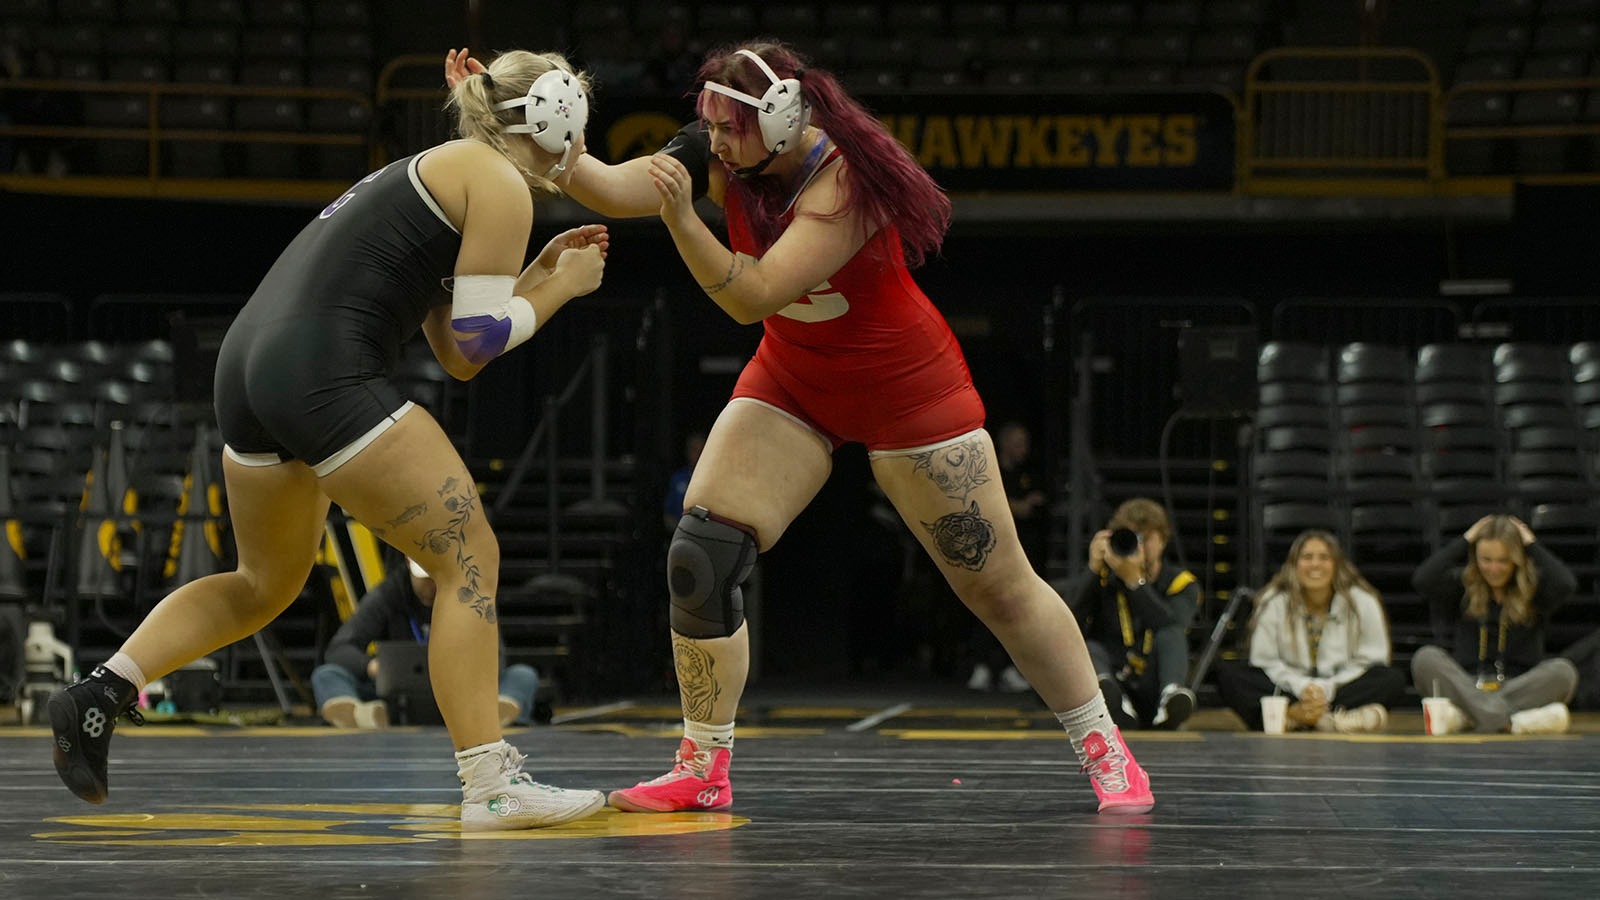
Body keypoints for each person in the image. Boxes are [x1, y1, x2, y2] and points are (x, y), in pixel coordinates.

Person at [445, 41, 1153, 816]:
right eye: (705, 127)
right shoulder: (726, 148)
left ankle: (1102, 743)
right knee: (702, 556)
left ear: (781, 117)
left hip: (905, 389)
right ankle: (703, 765)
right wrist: (524, 126)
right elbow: (616, 189)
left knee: (998, 587)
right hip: (796, 380)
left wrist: (684, 219)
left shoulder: (847, 180)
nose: (711, 142)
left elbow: (752, 295)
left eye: (726, 129)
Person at [47, 49, 611, 831]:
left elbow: (452, 348)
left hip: (246, 365)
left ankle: (101, 691)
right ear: (557, 120)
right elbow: (480, 343)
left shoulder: (441, 171)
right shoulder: (502, 184)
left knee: (263, 584)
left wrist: (542, 280)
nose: (583, 153)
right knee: (468, 556)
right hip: (322, 367)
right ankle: (491, 785)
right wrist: (566, 291)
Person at [313, 557, 540, 729]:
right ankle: (362, 717)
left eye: (436, 577)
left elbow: (495, 657)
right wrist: (373, 667)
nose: (431, 585)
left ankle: (492, 716)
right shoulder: (389, 594)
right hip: (396, 698)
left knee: (522, 675)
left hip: (461, 699)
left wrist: (468, 675)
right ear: (407, 565)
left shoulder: (470, 597)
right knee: (327, 674)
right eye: (425, 578)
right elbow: (339, 648)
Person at [1214, 529, 1405, 733]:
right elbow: (1264, 661)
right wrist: (1302, 687)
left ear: (1336, 565)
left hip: (1339, 689)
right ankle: (1323, 718)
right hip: (1289, 689)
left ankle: (1296, 719)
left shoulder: (1363, 602)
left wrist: (1325, 690)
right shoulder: (1273, 601)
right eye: (1307, 557)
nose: (1315, 565)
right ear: (1294, 565)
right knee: (1229, 674)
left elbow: (1372, 659)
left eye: (1324, 557)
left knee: (1391, 679)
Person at [1410, 514, 1579, 735]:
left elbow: (1566, 583)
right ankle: (1507, 720)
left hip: (1518, 686)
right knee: (1425, 658)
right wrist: (1466, 540)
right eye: (1486, 560)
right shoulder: (1462, 587)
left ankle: (1468, 717)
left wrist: (1531, 544)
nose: (1494, 569)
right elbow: (1422, 579)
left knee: (1563, 671)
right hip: (1468, 685)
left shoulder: (1533, 590)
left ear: (1517, 559)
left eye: (1503, 560)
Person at [1059, 499, 1200, 730]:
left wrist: (1135, 581)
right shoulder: (1104, 578)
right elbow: (1068, 622)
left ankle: (1170, 696)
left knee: (1171, 632)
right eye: (1132, 537)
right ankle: (1109, 702)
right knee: (1089, 645)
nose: (1140, 546)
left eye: (1147, 538)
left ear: (1163, 540)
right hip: (1114, 680)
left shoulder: (1181, 583)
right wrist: (1093, 570)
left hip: (1153, 679)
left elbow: (1173, 625)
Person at [964, 421, 1047, 693]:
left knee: (1020, 609)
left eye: (1025, 443)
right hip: (989, 549)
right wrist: (1017, 506)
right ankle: (982, 666)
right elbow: (980, 502)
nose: (1023, 449)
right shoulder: (988, 469)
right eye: (1018, 443)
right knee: (986, 605)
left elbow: (1038, 505)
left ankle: (1015, 668)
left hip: (1024, 552)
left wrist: (1018, 508)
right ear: (1005, 444)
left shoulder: (1032, 472)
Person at [662, 429, 706, 531]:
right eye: (694, 450)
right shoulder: (678, 479)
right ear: (687, 452)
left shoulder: (713, 481)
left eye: (701, 451)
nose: (698, 456)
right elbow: (668, 515)